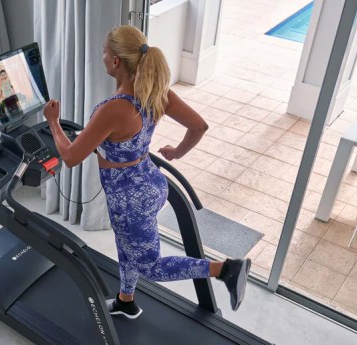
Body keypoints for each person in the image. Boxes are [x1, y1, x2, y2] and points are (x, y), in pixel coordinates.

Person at [43, 25, 250, 318]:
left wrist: (53, 121)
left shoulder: (113, 109)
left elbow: (71, 157)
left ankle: (226, 269)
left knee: (151, 266)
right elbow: (199, 126)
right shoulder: (156, 92)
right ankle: (126, 300)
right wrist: (177, 152)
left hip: (128, 200)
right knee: (126, 245)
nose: (102, 57)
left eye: (104, 52)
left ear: (116, 61)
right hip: (152, 184)